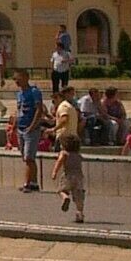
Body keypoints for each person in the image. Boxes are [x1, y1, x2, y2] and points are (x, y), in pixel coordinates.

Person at [51, 88, 86, 223]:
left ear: (59, 97)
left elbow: (60, 161)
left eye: (54, 100)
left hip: (67, 175)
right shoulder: (78, 155)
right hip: (79, 177)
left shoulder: (64, 107)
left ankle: (65, 197)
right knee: (79, 196)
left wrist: (54, 172)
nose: (53, 104)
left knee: (62, 190)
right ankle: (80, 214)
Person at [49, 29, 73, 101]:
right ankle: (55, 97)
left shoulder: (66, 53)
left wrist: (65, 61)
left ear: (60, 47)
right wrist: (52, 68)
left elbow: (72, 60)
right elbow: (52, 61)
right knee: (55, 85)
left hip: (64, 71)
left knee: (64, 85)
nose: (56, 48)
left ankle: (64, 97)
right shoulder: (54, 54)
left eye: (57, 46)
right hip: (56, 71)